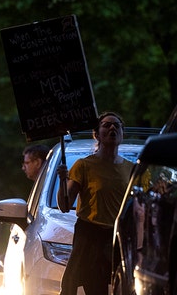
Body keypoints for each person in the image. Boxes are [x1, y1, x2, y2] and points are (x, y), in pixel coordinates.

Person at [57, 112, 132, 294]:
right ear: (97, 134)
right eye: (106, 125)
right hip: (89, 237)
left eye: (117, 125)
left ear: (122, 134)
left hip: (117, 238)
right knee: (91, 287)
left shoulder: (132, 169)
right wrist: (62, 179)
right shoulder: (83, 166)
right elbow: (65, 205)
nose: (112, 128)